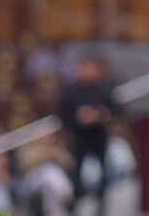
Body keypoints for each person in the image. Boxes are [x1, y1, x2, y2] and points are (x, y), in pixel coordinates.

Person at [58, 56, 119, 211]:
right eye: (86, 68)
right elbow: (63, 114)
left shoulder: (105, 89)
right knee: (76, 175)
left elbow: (116, 110)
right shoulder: (71, 90)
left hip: (99, 137)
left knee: (103, 174)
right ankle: (74, 208)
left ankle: (102, 209)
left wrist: (101, 114)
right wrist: (79, 117)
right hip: (79, 138)